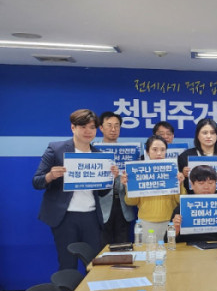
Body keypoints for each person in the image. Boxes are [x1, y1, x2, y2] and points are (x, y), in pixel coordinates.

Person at [32, 109, 118, 270]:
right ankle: (68, 288)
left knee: (93, 265)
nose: (88, 131)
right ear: (73, 127)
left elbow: (102, 193)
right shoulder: (56, 149)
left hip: (91, 216)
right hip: (65, 217)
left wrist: (111, 179)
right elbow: (36, 182)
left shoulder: (99, 155)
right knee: (67, 264)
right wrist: (50, 176)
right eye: (83, 127)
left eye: (92, 127)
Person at [121, 135, 185, 242]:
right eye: (154, 150)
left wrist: (180, 184)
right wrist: (128, 186)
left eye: (162, 150)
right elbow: (131, 202)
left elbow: (180, 201)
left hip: (169, 222)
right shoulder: (138, 172)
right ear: (147, 152)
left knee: (170, 252)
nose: (159, 153)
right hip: (146, 223)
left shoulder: (174, 172)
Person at [170, 165, 217, 243]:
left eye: (211, 183)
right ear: (192, 184)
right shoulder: (182, 208)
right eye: (201, 183)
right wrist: (175, 231)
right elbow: (167, 241)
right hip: (191, 248)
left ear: (216, 184)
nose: (206, 187)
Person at [97, 112, 136, 244]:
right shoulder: (94, 151)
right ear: (101, 128)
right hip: (102, 206)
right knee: (103, 247)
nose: (113, 129)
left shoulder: (129, 152)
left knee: (123, 246)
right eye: (109, 125)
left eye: (117, 126)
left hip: (124, 205)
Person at [177, 118, 217, 194]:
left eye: (212, 133)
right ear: (197, 135)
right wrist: (183, 175)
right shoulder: (185, 157)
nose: (208, 136)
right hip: (194, 199)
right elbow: (180, 187)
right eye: (204, 133)